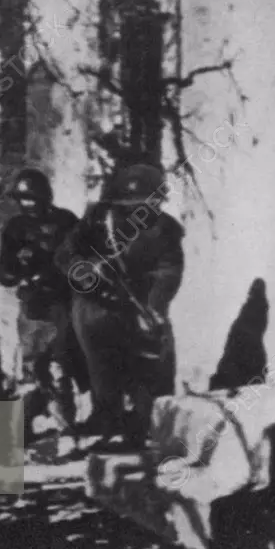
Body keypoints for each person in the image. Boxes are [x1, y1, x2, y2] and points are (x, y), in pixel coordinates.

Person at [54, 163, 184, 453]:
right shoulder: (98, 221)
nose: (138, 211)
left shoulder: (166, 230)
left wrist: (154, 307)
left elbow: (169, 271)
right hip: (96, 307)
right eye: (131, 205)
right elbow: (65, 255)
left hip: (139, 307)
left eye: (148, 204)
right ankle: (107, 427)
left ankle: (144, 431)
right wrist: (89, 274)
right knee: (103, 371)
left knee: (151, 370)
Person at [0, 168, 88, 452]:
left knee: (60, 368)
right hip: (33, 309)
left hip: (61, 305)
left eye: (32, 198)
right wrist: (21, 269)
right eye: (22, 199)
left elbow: (82, 261)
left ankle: (66, 430)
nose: (28, 204)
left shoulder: (66, 222)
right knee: (31, 370)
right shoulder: (15, 229)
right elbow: (4, 272)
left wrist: (57, 272)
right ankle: (20, 430)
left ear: (44, 196)